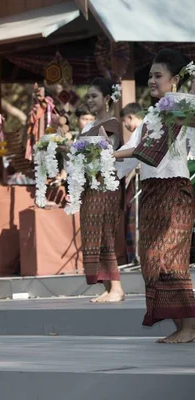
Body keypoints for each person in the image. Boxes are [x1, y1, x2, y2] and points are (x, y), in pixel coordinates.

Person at [114, 49, 195, 343]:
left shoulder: (182, 104)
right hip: (151, 191)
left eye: (157, 75)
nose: (151, 80)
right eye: (149, 75)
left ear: (174, 79)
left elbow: (191, 121)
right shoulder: (150, 115)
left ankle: (188, 327)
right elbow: (135, 152)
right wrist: (104, 158)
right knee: (151, 260)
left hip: (174, 190)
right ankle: (183, 325)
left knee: (169, 259)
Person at [77, 77, 126, 303]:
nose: (90, 100)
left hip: (105, 185)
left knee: (106, 233)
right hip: (89, 186)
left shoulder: (113, 123)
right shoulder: (88, 125)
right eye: (88, 96)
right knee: (92, 235)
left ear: (107, 98)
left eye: (94, 95)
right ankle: (107, 286)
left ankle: (117, 287)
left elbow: (110, 151)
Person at [120, 103, 143, 264]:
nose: (125, 125)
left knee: (137, 219)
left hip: (142, 182)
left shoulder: (145, 127)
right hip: (138, 180)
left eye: (125, 121)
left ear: (131, 117)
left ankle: (137, 257)